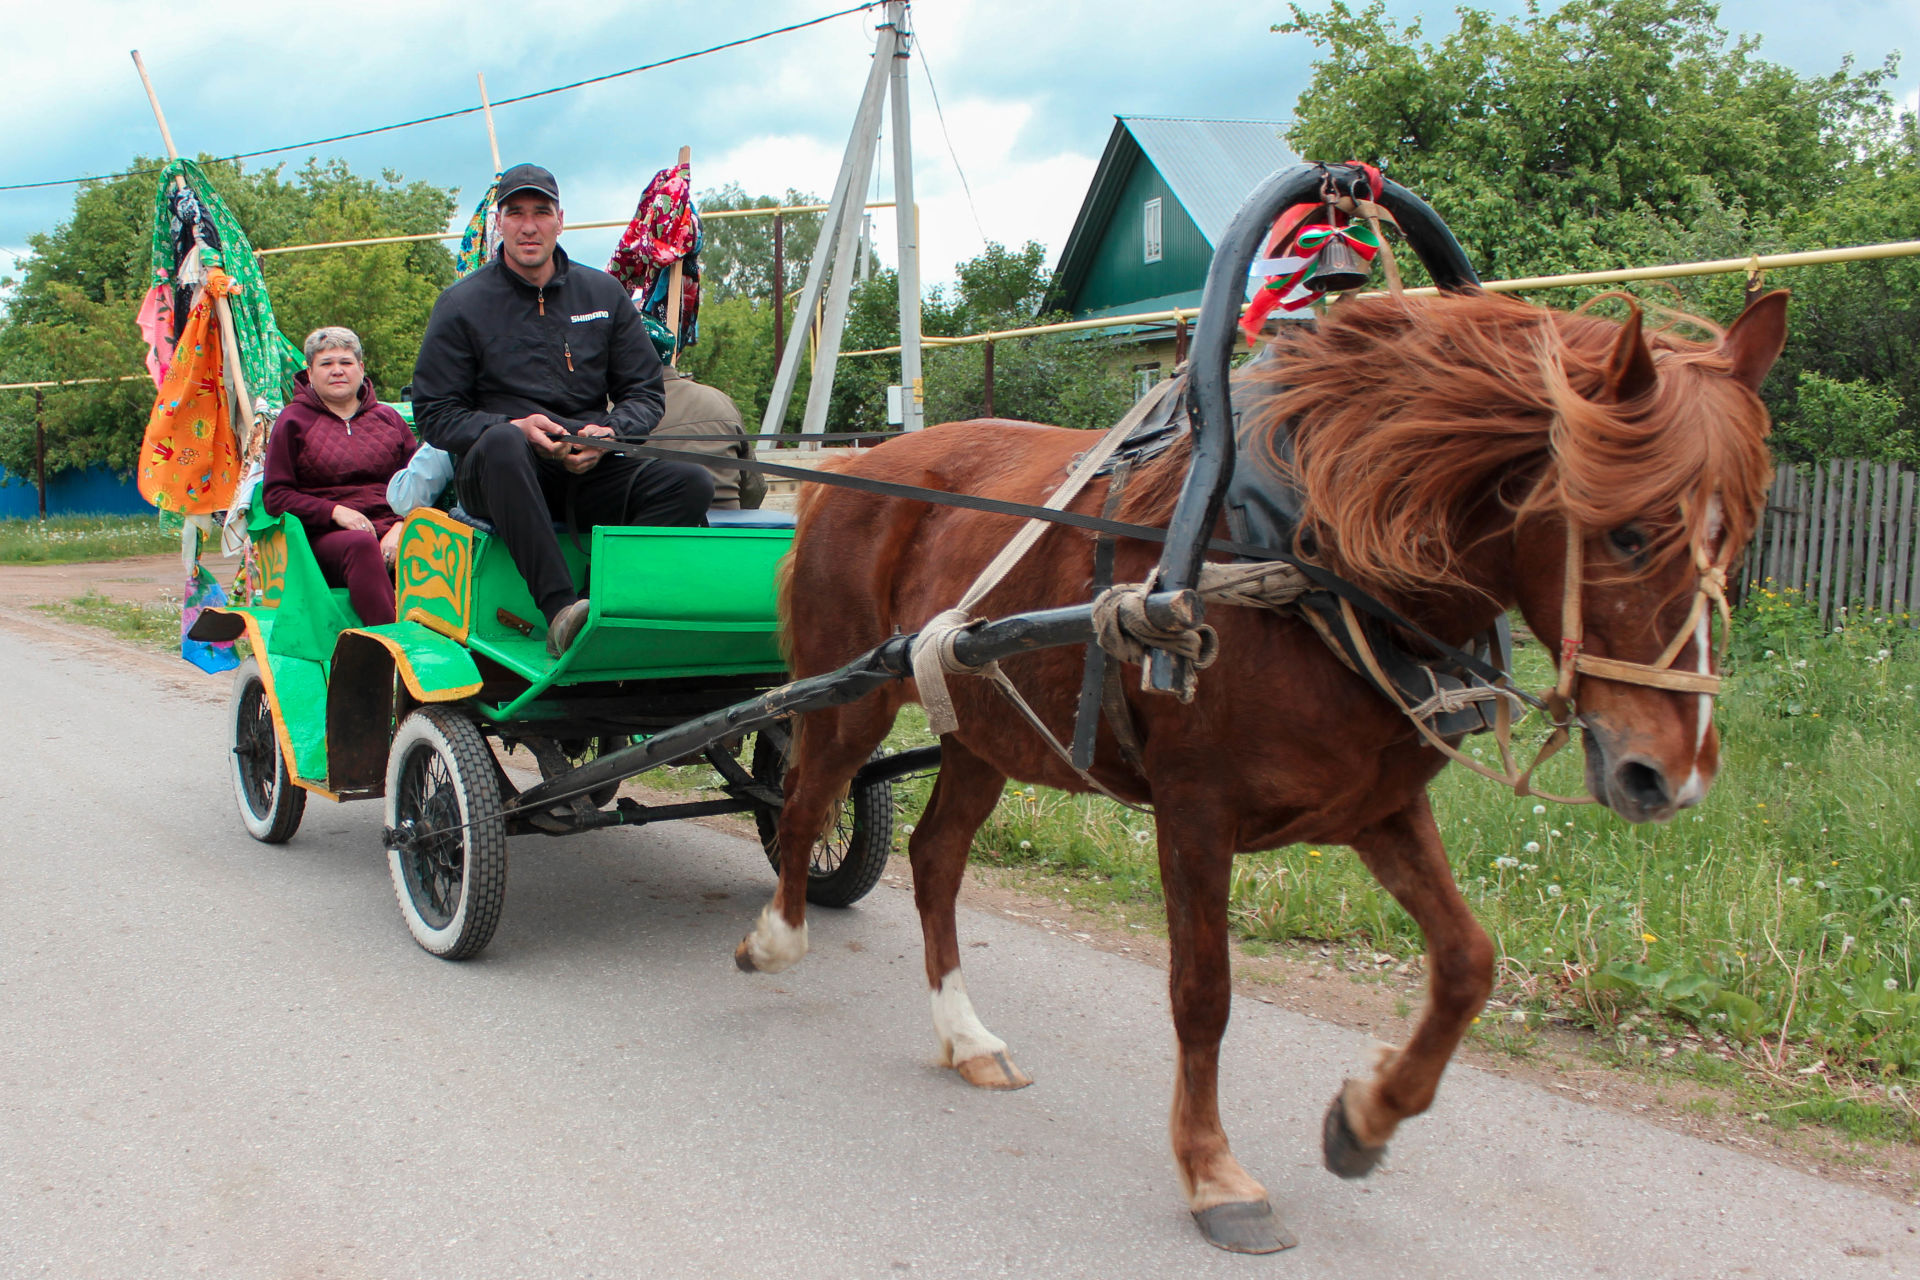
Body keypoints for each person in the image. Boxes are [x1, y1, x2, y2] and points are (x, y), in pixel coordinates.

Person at [411, 163, 713, 657]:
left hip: (585, 467)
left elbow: (644, 393)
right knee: (505, 441)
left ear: (560, 220)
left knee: (690, 482)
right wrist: (513, 425)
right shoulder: (461, 304)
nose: (529, 226)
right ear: (499, 223)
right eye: (516, 213)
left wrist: (609, 434)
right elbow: (436, 413)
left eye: (540, 212)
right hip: (498, 473)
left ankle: (600, 604)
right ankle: (560, 611)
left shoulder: (603, 294)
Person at [262, 327, 418, 627]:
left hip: (394, 530)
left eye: (346, 362)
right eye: (326, 364)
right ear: (309, 373)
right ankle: (393, 646)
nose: (337, 371)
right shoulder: (292, 422)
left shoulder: (389, 419)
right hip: (326, 541)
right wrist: (335, 512)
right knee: (360, 545)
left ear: (361, 368)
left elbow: (418, 483)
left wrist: (402, 525)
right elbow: (275, 496)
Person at [644, 319, 765, 510]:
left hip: (652, 533)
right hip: (725, 532)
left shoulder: (616, 413)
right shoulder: (719, 399)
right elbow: (754, 489)